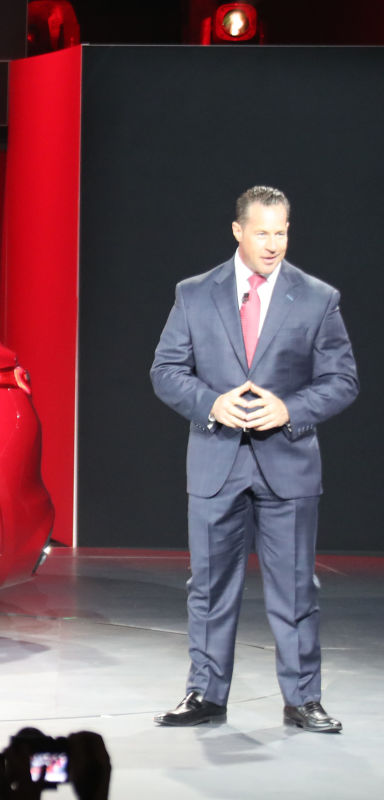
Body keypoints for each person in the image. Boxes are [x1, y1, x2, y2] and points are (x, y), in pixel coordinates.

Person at [150, 185, 358, 732]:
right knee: (209, 588)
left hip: (288, 464)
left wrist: (290, 409)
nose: (272, 244)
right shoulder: (195, 294)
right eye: (262, 232)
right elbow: (166, 371)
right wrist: (211, 403)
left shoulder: (317, 298)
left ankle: (303, 699)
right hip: (216, 462)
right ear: (238, 231)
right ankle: (205, 694)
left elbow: (342, 380)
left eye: (281, 232)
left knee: (295, 588)